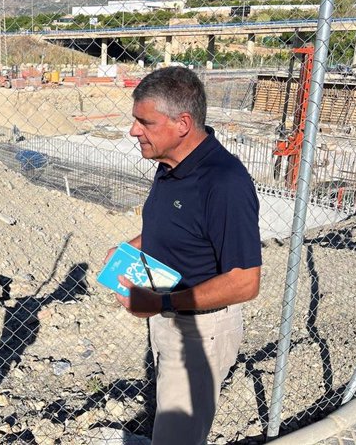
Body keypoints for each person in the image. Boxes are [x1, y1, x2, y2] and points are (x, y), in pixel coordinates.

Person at [107, 67, 262, 445]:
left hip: (200, 332)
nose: (133, 131)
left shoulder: (224, 183)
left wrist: (161, 301)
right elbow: (175, 226)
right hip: (172, 316)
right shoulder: (170, 164)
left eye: (144, 122)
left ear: (182, 124)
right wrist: (130, 249)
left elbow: (245, 281)